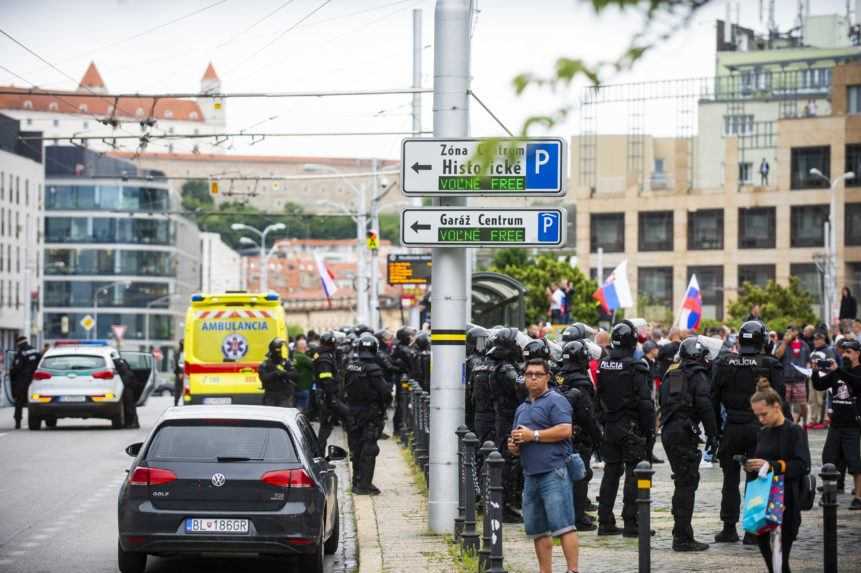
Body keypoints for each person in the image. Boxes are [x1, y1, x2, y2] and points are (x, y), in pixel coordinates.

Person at [711, 320, 786, 545]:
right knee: (757, 480)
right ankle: (752, 532)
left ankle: (728, 528)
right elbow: (780, 400)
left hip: (732, 427)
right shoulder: (770, 364)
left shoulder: (725, 363)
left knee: (729, 480)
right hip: (760, 429)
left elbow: (712, 398)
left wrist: (716, 430)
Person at [508, 358, 581, 573]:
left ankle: (573, 570)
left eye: (538, 374)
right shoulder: (522, 407)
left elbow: (565, 430)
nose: (532, 377)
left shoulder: (556, 401)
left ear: (547, 377)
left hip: (554, 471)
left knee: (564, 525)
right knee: (537, 530)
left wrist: (534, 435)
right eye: (529, 373)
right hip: (530, 474)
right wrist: (514, 444)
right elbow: (518, 438)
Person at [595, 320, 655, 536]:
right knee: (633, 473)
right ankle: (631, 523)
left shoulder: (603, 365)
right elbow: (646, 403)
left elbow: (597, 397)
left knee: (611, 472)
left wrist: (603, 420)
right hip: (631, 427)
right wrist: (649, 431)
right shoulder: (636, 367)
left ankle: (604, 521)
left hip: (610, 426)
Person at [659, 337, 719, 551]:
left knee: (681, 482)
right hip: (683, 433)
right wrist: (713, 433)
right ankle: (683, 538)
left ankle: (681, 531)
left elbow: (671, 401)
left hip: (669, 431)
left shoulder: (674, 373)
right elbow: (704, 404)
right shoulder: (698, 374)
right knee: (687, 483)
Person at [746, 379, 811, 573]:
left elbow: (802, 464)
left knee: (781, 557)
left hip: (786, 499)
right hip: (763, 499)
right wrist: (751, 466)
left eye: (763, 414)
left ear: (777, 406)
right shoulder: (763, 432)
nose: (761, 419)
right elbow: (762, 461)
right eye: (757, 415)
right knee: (766, 548)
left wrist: (772, 466)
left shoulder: (794, 431)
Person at [812, 338, 861, 510]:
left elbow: (857, 383)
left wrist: (838, 370)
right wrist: (815, 371)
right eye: (843, 352)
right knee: (829, 458)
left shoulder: (856, 371)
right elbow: (819, 385)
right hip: (836, 424)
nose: (845, 355)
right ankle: (828, 494)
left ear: (857, 354)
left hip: (853, 425)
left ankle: (858, 497)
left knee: (854, 462)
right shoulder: (838, 371)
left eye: (849, 352)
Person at [558, 340, 602, 531]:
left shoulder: (558, 376)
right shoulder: (581, 382)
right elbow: (586, 413)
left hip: (560, 432)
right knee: (579, 475)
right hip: (579, 435)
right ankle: (577, 517)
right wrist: (597, 437)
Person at [344, 333, 390, 495]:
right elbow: (385, 392)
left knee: (356, 448)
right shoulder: (374, 369)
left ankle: (356, 480)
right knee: (369, 448)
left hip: (353, 412)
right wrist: (383, 407)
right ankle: (364, 485)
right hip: (370, 413)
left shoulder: (351, 366)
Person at [490, 327, 526, 521]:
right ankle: (504, 505)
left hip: (505, 418)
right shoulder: (507, 369)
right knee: (508, 462)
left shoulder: (504, 366)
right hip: (507, 419)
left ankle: (507, 503)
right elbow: (521, 388)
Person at [774, 326, 810, 426]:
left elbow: (808, 360)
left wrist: (807, 372)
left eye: (792, 331)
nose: (790, 333)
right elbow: (776, 356)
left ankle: (804, 423)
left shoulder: (804, 345)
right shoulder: (782, 344)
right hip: (786, 379)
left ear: (797, 332)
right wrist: (785, 342)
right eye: (788, 331)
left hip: (800, 379)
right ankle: (786, 424)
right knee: (785, 405)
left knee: (803, 404)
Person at [313, 332, 343, 451]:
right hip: (327, 397)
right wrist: (332, 399)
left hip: (327, 396)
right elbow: (326, 380)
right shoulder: (325, 358)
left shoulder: (325, 354)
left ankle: (319, 454)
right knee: (325, 429)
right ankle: (319, 455)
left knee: (326, 428)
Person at [10, 335, 41, 429]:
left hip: (23, 381)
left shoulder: (21, 353)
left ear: (18, 343)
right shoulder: (35, 350)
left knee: (19, 402)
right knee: (33, 401)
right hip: (35, 380)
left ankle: (18, 422)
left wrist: (11, 372)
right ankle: (35, 420)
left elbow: (17, 367)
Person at [391, 326, 416, 436]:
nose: (413, 338)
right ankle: (401, 428)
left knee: (402, 403)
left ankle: (399, 428)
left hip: (401, 378)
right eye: (410, 335)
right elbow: (412, 362)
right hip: (403, 380)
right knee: (402, 403)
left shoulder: (399, 347)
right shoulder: (404, 349)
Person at [258, 338, 297, 407]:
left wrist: (284, 374)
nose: (278, 354)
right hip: (270, 395)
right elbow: (263, 378)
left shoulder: (285, 362)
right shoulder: (265, 364)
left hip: (284, 395)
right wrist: (275, 373)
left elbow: (294, 375)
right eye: (276, 351)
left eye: (279, 351)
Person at [114, 352, 141, 429]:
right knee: (131, 406)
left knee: (129, 407)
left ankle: (132, 423)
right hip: (129, 386)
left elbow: (126, 375)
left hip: (127, 387)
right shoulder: (123, 361)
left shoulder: (117, 362)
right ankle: (133, 423)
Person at [292, 338, 315, 412]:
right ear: (305, 347)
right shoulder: (304, 358)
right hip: (304, 387)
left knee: (294, 407)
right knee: (301, 410)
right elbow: (313, 364)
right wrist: (316, 355)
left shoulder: (294, 356)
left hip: (294, 386)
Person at [173, 339, 184, 406]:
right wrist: (180, 372)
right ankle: (176, 403)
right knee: (178, 389)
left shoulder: (188, 351)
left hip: (186, 372)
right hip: (180, 373)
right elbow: (177, 363)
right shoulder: (179, 352)